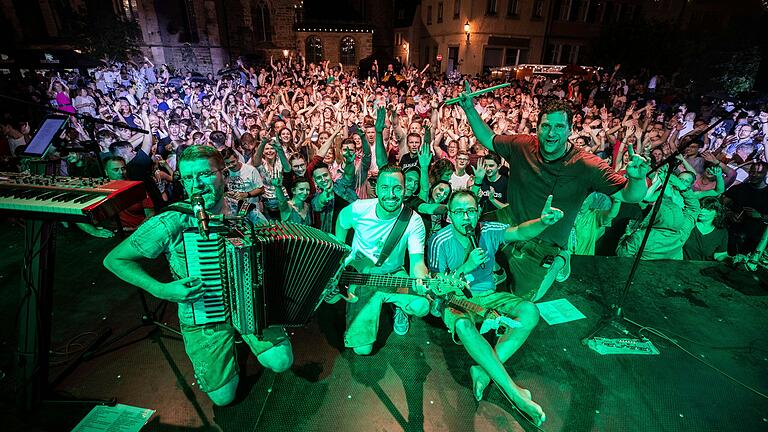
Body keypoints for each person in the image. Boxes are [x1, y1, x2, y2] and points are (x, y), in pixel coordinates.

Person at [103, 146, 293, 406]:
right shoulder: (172, 220)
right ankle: (222, 351)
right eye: (188, 177)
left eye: (204, 174)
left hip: (250, 305)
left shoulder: (245, 209)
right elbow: (115, 259)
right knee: (223, 398)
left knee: (281, 362)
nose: (197, 184)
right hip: (204, 312)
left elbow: (274, 245)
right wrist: (160, 289)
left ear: (223, 174)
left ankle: (241, 337)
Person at [457, 85, 649, 301]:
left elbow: (629, 196)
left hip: (546, 240)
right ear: (537, 128)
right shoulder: (522, 145)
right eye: (546, 126)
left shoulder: (587, 164)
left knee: (525, 298)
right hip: (511, 221)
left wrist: (638, 178)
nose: (551, 133)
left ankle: (560, 259)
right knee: (468, 236)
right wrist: (469, 109)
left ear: (570, 130)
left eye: (559, 127)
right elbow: (489, 139)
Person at [428, 190, 562, 427]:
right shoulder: (439, 240)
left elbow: (520, 232)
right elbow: (437, 288)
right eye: (459, 212)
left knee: (530, 311)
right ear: (449, 215)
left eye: (470, 211)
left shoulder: (488, 231)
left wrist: (542, 222)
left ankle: (483, 370)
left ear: (478, 211)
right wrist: (465, 266)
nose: (466, 218)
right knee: (462, 324)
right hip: (456, 298)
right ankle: (514, 392)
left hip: (489, 295)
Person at [334, 164, 431, 350]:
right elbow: (341, 220)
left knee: (421, 305)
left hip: (393, 274)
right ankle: (379, 302)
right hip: (362, 278)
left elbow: (418, 262)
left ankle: (398, 308)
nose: (391, 194)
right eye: (385, 188)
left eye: (397, 188)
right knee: (362, 350)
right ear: (376, 189)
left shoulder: (413, 220)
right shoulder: (359, 209)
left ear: (405, 189)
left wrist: (421, 277)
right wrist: (341, 248)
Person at [683, 197, 730, 261]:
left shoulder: (721, 232)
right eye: (701, 207)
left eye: (708, 209)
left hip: (704, 268)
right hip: (683, 266)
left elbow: (720, 255)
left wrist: (732, 260)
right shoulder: (689, 224)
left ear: (716, 213)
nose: (702, 211)